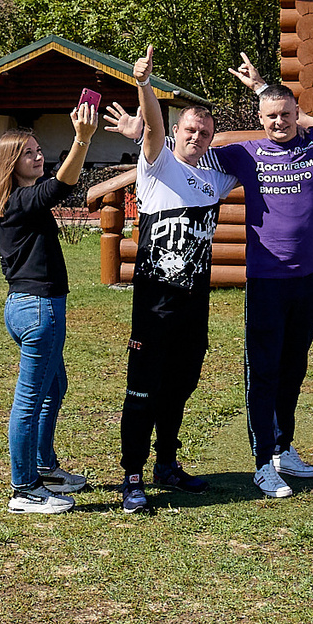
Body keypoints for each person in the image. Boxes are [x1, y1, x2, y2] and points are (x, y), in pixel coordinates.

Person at [206, 62, 313, 497]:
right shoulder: (244, 153)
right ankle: (262, 461)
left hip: (308, 278)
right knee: (263, 370)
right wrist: (142, 134)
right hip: (266, 280)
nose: (279, 122)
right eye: (271, 116)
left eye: (286, 114)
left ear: (297, 114)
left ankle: (284, 447)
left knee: (294, 366)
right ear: (260, 118)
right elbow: (189, 151)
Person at [106, 46, 234, 514]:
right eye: (190, 129)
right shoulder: (157, 163)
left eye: (205, 132)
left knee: (180, 386)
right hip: (153, 306)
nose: (196, 137)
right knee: (142, 391)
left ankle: (166, 464)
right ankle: (132, 476)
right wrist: (144, 84)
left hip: (192, 306)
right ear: (176, 132)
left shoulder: (215, 181)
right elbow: (152, 128)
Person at [0, 100, 103, 514]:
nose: (38, 157)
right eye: (29, 153)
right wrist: (82, 139)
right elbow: (62, 185)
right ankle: (24, 489)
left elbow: (56, 186)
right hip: (39, 310)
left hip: (28, 307)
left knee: (54, 388)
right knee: (29, 401)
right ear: (11, 163)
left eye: (39, 150)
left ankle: (43, 468)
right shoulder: (20, 200)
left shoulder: (19, 200)